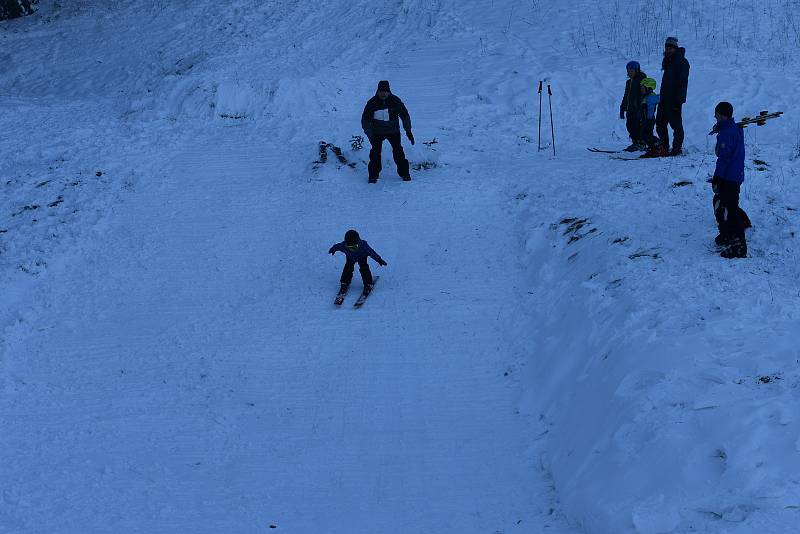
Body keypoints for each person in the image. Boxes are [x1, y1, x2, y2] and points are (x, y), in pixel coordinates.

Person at [711, 102, 747, 259]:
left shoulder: (727, 133)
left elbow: (724, 158)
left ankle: (739, 246)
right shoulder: (735, 128)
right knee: (722, 201)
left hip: (729, 176)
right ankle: (726, 234)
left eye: (716, 114)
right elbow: (731, 132)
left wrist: (717, 178)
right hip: (735, 174)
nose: (714, 116)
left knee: (729, 209)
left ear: (722, 115)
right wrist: (721, 127)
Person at [361, 80, 415, 183]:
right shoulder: (372, 103)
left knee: (398, 151)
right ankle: (373, 175)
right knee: (375, 153)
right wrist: (370, 134)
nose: (383, 93)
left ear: (389, 91)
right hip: (377, 132)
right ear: (377, 91)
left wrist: (408, 131)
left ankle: (405, 174)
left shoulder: (395, 101)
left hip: (393, 131)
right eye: (381, 91)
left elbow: (405, 116)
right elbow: (365, 120)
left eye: (385, 91)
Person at [656, 37, 690, 156]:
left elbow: (683, 83)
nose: (669, 50)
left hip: (674, 100)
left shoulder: (682, 62)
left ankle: (676, 148)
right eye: (667, 48)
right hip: (664, 99)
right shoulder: (668, 61)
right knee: (660, 124)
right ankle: (664, 146)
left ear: (675, 49)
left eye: (671, 48)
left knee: (676, 125)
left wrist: (679, 100)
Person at [329, 229, 387, 294]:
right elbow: (337, 246)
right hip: (350, 258)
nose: (352, 249)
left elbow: (372, 253)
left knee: (364, 269)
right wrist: (333, 249)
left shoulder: (364, 246)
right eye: (350, 247)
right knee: (348, 269)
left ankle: (368, 284)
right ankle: (344, 282)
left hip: (362, 257)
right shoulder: (343, 246)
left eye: (354, 247)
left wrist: (379, 260)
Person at [620, 61, 647, 151]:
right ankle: (635, 142)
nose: (629, 72)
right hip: (630, 108)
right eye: (628, 70)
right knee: (630, 126)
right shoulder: (628, 82)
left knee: (638, 125)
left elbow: (645, 93)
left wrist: (641, 105)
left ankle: (642, 143)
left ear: (637, 70)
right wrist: (622, 107)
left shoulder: (642, 80)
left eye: (632, 70)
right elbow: (626, 95)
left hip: (638, 108)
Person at [638, 77, 664, 156]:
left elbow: (659, 98)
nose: (641, 90)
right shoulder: (645, 97)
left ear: (649, 88)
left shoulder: (652, 97)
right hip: (645, 119)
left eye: (643, 88)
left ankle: (658, 147)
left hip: (649, 120)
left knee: (647, 135)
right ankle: (653, 148)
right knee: (644, 135)